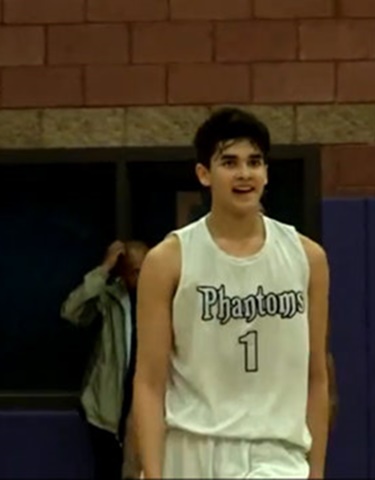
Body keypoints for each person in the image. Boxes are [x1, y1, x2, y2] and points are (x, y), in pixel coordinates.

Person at [132, 108, 330, 479]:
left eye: (254, 162)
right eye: (229, 162)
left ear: (266, 172)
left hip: (277, 455)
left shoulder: (308, 257)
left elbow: (316, 375)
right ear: (204, 174)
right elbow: (149, 381)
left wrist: (316, 471)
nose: (244, 173)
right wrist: (152, 472)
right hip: (190, 451)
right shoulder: (168, 260)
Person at [60, 239, 148, 479]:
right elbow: (71, 311)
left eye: (147, 269)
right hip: (107, 408)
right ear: (123, 273)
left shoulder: (161, 297)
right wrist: (104, 269)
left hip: (144, 407)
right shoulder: (109, 297)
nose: (144, 277)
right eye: (136, 271)